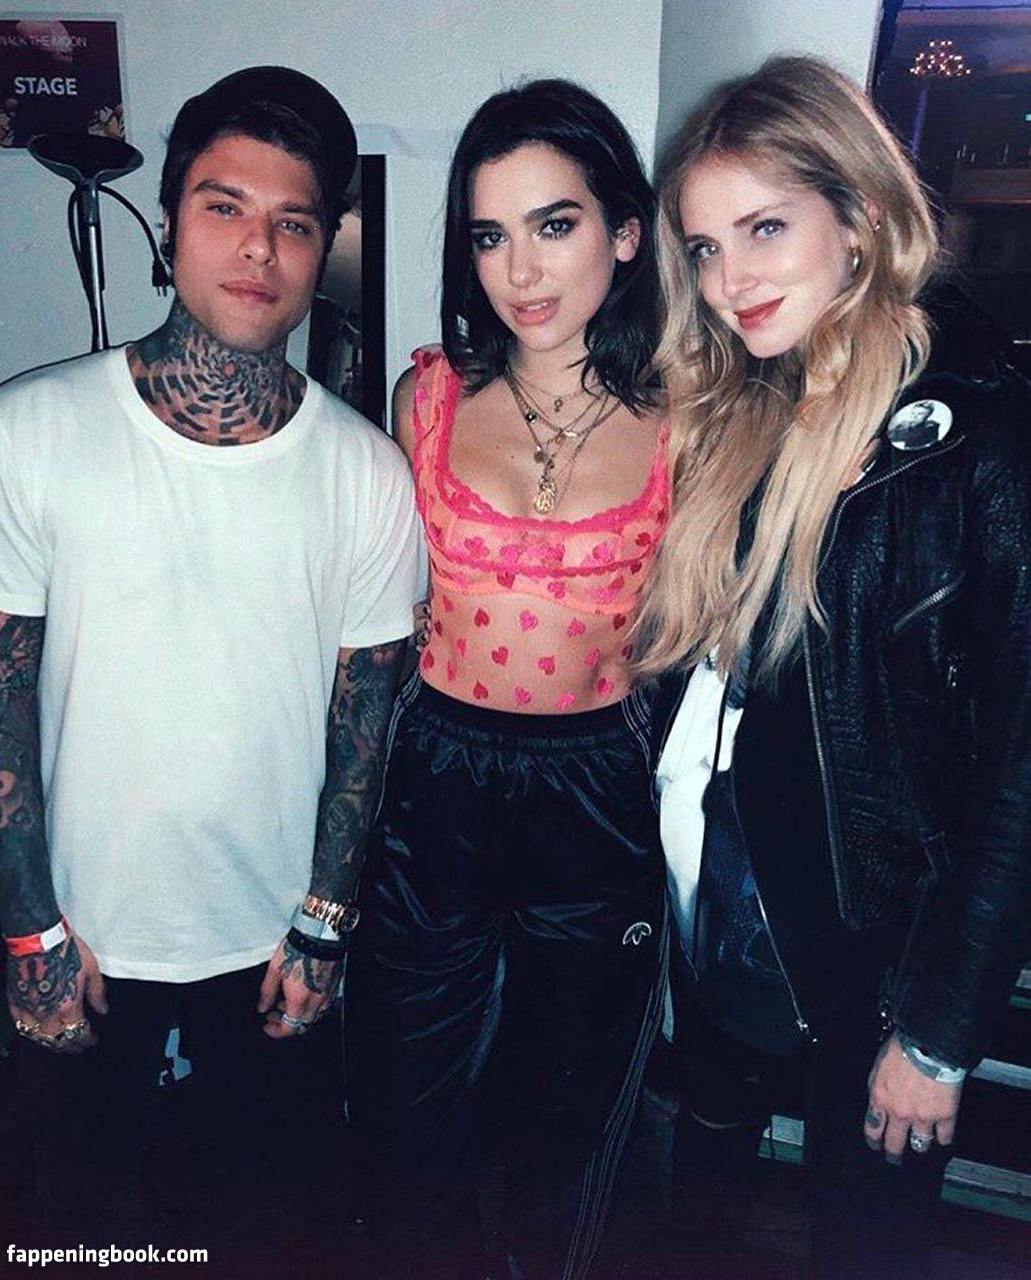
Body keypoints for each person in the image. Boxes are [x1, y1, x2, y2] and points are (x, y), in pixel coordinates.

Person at [0, 65, 424, 1261]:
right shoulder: (29, 431)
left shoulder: (366, 471)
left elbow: (362, 721)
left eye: (294, 222)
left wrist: (326, 926)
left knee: (262, 1243)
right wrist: (28, 935)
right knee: (73, 1238)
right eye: (223, 206)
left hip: (270, 954)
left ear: (322, 247)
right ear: (169, 222)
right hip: (81, 942)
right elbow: (0, 699)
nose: (257, 248)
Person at [634, 56, 1031, 1276]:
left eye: (764, 229)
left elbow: (1020, 770)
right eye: (703, 248)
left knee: (866, 1246)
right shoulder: (741, 415)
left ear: (856, 216)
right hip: (719, 927)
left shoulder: (977, 440)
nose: (728, 280)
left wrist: (939, 1031)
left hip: (875, 968)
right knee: (696, 1226)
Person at [345, 79, 668, 1280]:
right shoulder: (425, 394)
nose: (518, 270)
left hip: (594, 782)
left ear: (623, 233)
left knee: (559, 1098)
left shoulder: (691, 415)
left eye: (553, 224)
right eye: (488, 234)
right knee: (402, 1080)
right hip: (436, 769)